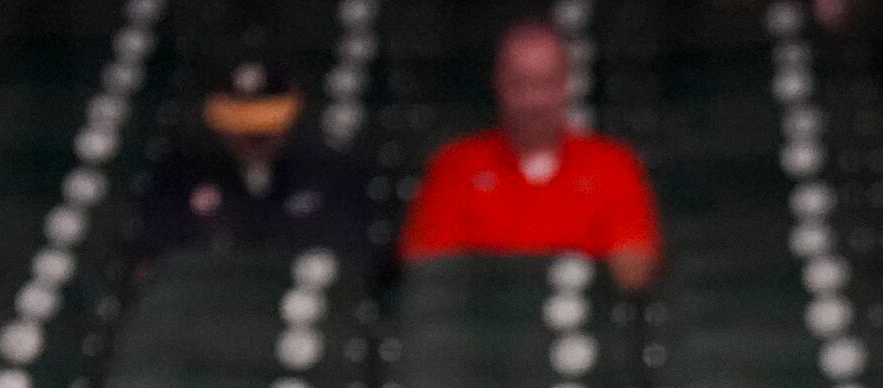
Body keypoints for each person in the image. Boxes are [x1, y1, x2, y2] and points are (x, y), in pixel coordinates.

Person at [399, 18, 662, 290]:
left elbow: (633, 275)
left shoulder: (614, 165)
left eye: (545, 83)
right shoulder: (453, 166)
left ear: (566, 84)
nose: (533, 100)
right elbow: (431, 276)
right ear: (498, 82)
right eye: (519, 83)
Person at [136, 51, 375, 265]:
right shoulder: (179, 173)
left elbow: (352, 260)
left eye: (264, 131)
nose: (251, 140)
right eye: (240, 128)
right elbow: (152, 263)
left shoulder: (331, 172)